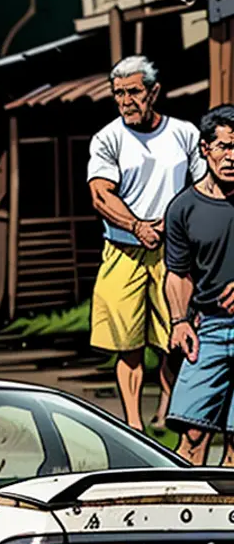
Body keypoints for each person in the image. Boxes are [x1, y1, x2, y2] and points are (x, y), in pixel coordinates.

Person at [88, 55, 206, 432]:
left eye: (134, 92)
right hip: (123, 250)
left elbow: (204, 187)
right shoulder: (108, 138)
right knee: (128, 342)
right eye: (119, 93)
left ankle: (172, 415)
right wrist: (136, 225)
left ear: (153, 92)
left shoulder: (183, 133)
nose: (126, 101)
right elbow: (100, 194)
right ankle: (134, 424)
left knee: (175, 337)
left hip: (174, 251)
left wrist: (181, 229)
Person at [163, 104, 234, 465]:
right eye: (223, 147)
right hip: (210, 327)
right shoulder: (183, 208)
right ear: (205, 149)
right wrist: (180, 321)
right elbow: (178, 273)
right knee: (191, 435)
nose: (232, 157)